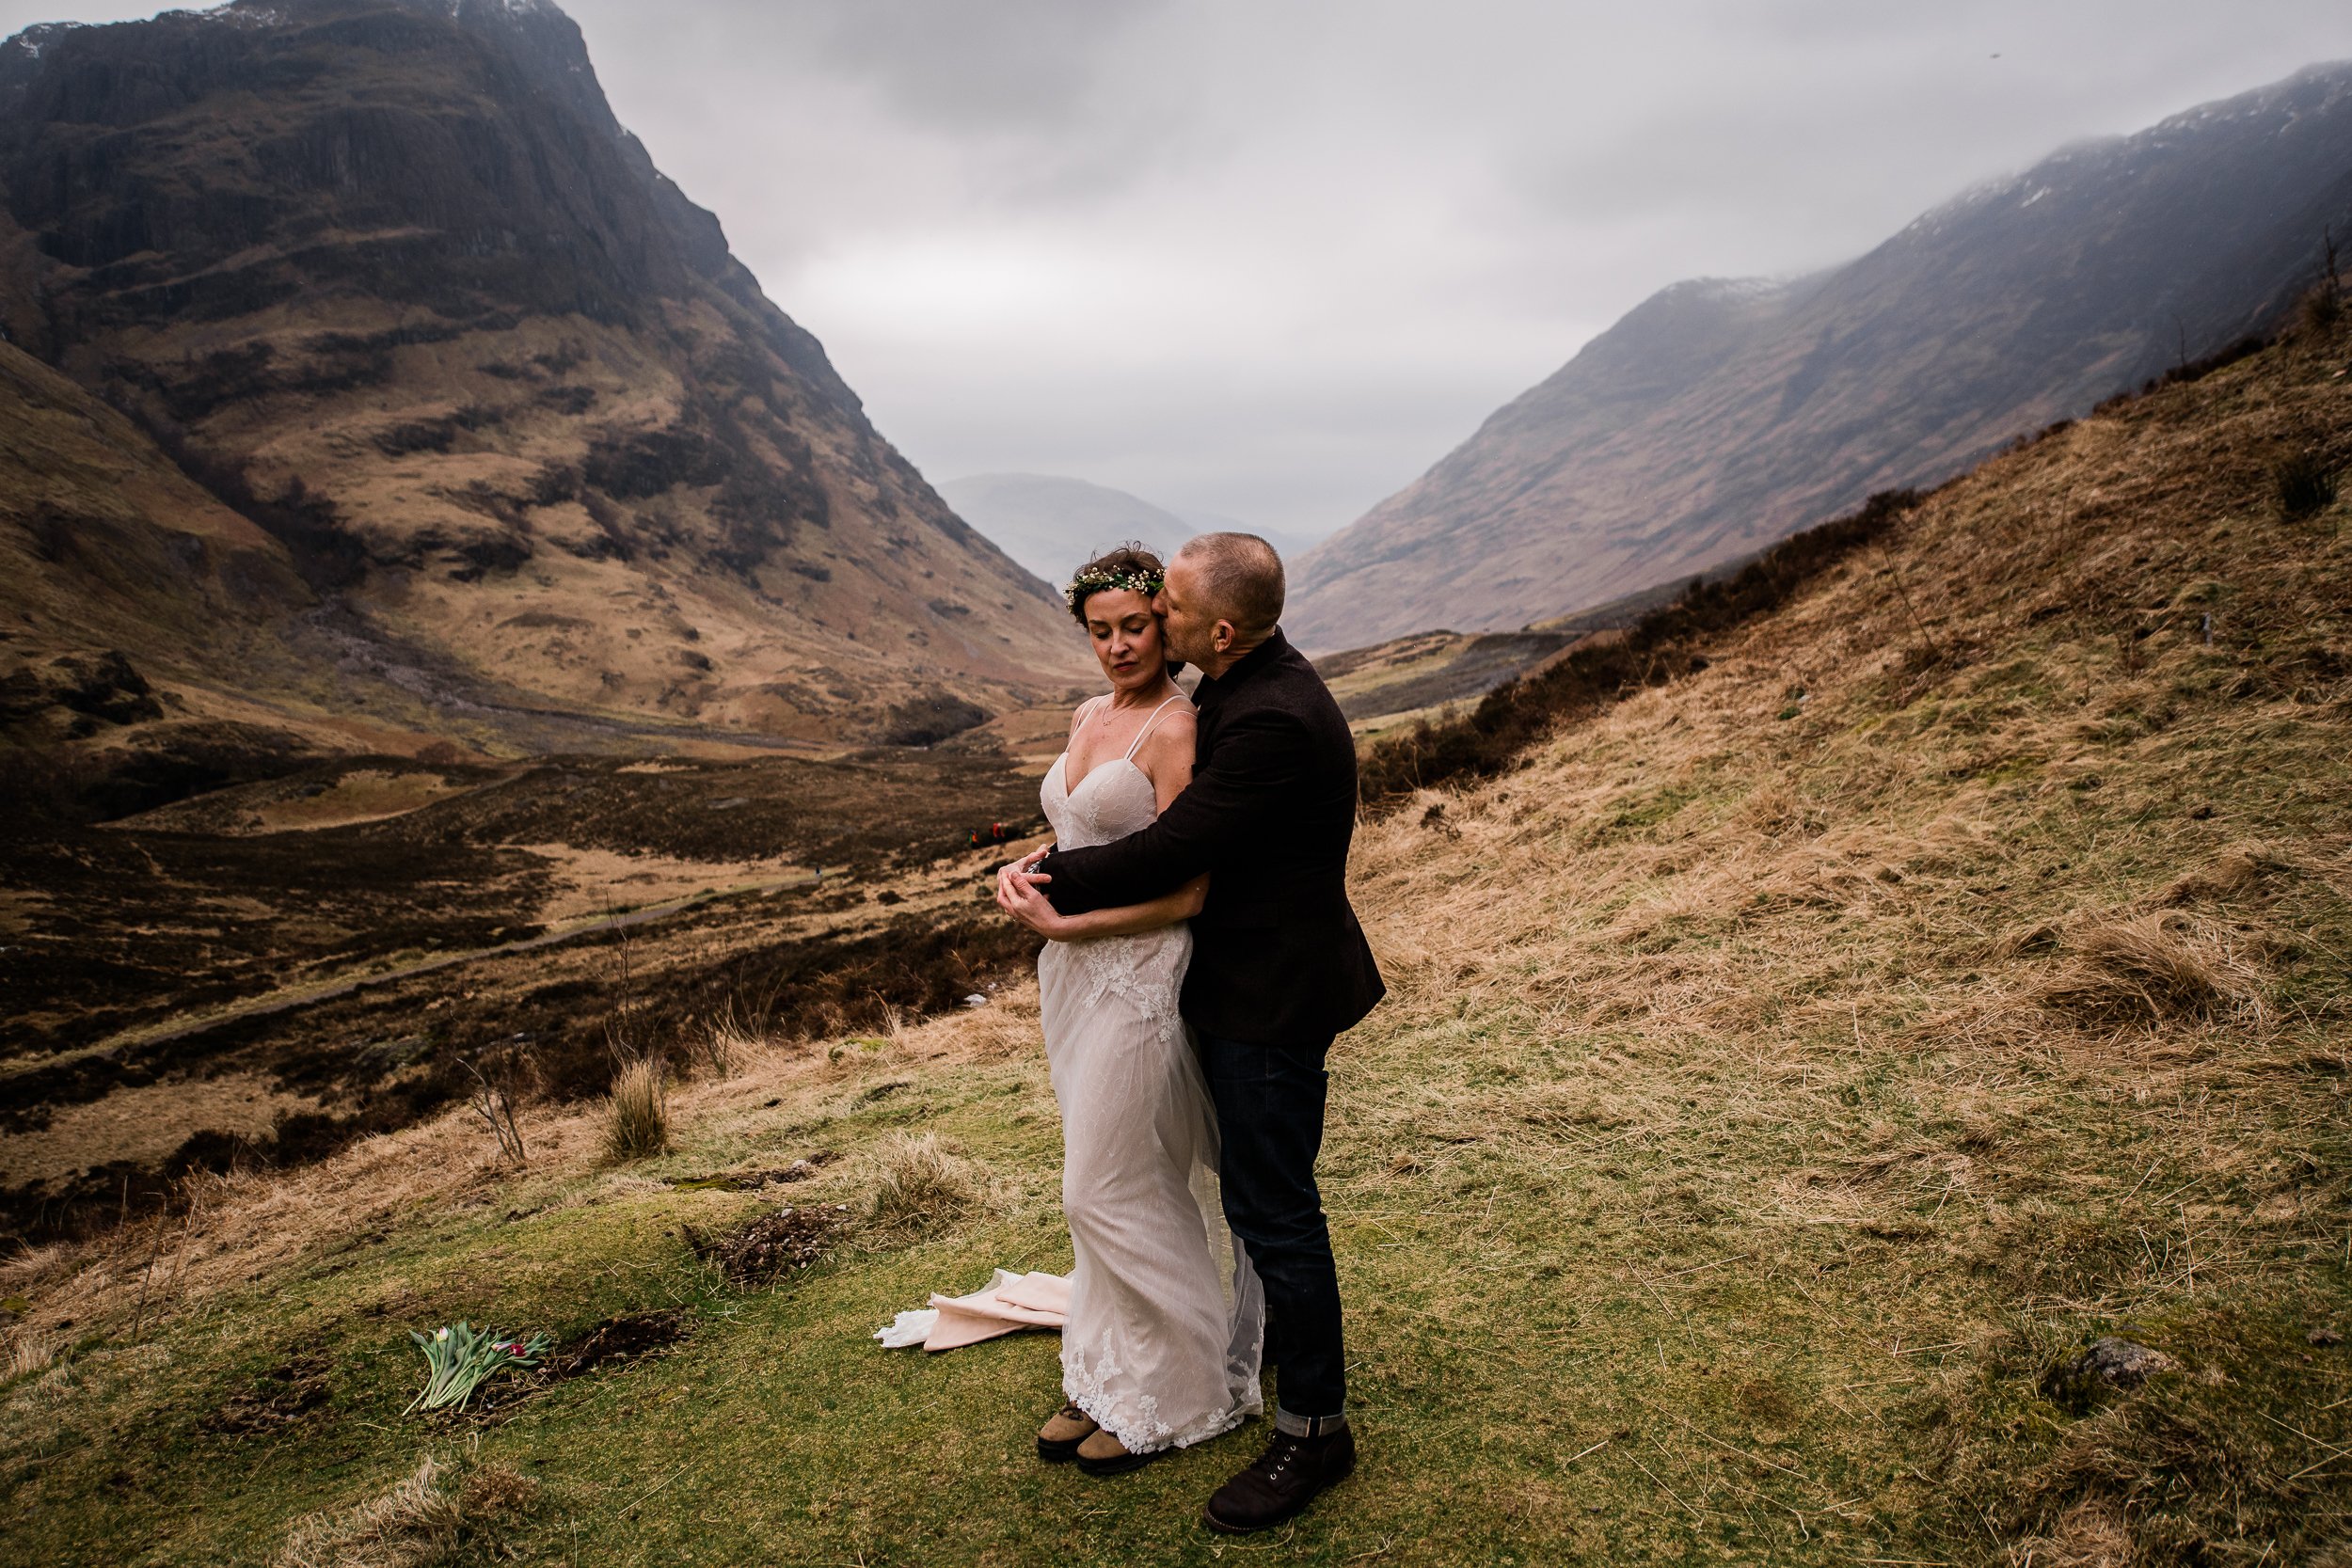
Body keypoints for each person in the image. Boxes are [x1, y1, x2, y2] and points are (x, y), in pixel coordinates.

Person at [998, 532, 1384, 1534]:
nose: (1146, 623)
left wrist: (1047, 883)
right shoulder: (1237, 684)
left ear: (1215, 627)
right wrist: (1056, 850)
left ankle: (1310, 1430)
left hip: (1269, 995)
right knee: (1213, 1185)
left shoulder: (1271, 718)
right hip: (1216, 984)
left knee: (1273, 1209)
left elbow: (1174, 846)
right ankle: (1185, 1364)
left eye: (1160, 606)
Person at [995, 545, 1265, 1480]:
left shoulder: (1177, 727)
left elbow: (1189, 889)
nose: (1117, 646)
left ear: (1168, 624)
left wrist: (1078, 925)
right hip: (1068, 978)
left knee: (1103, 1186)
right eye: (1100, 629)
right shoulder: (1085, 714)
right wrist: (1029, 868)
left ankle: (1191, 1387)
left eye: (1135, 626)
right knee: (1106, 1177)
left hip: (1138, 974)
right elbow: (1082, 827)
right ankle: (1109, 1372)